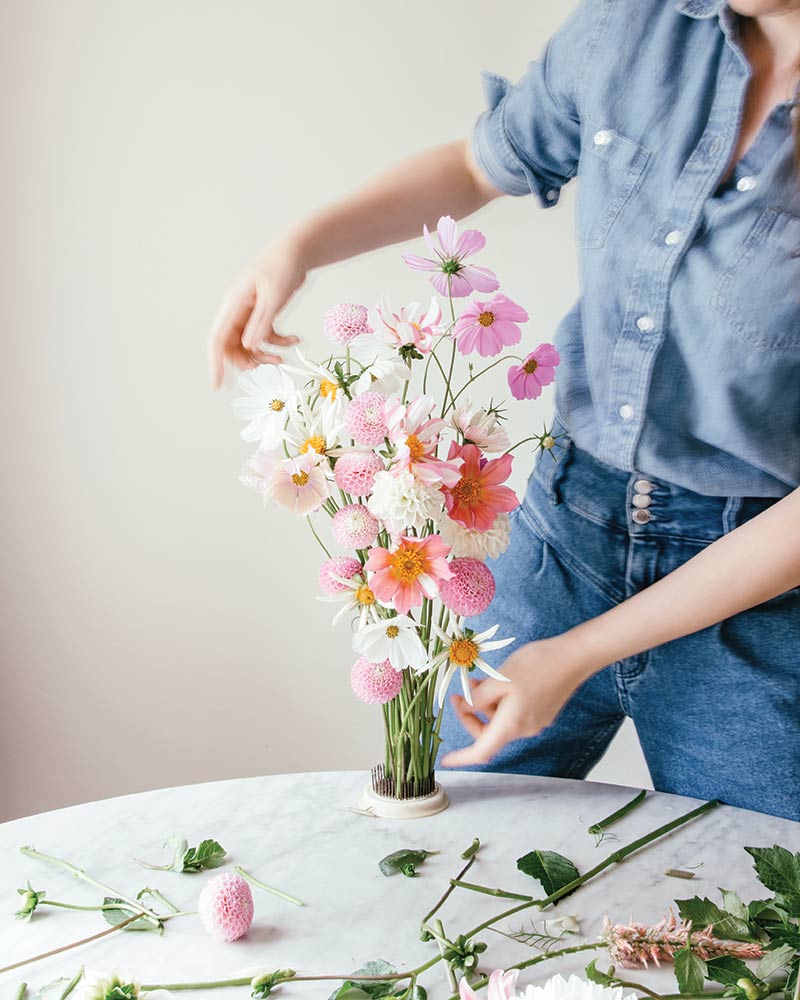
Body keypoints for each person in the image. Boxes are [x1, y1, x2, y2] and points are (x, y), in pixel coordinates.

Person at [208, 0, 800, 822]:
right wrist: (299, 245)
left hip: (757, 597)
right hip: (560, 535)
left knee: (757, 919)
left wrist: (576, 656)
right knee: (445, 852)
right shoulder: (634, 25)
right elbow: (479, 166)